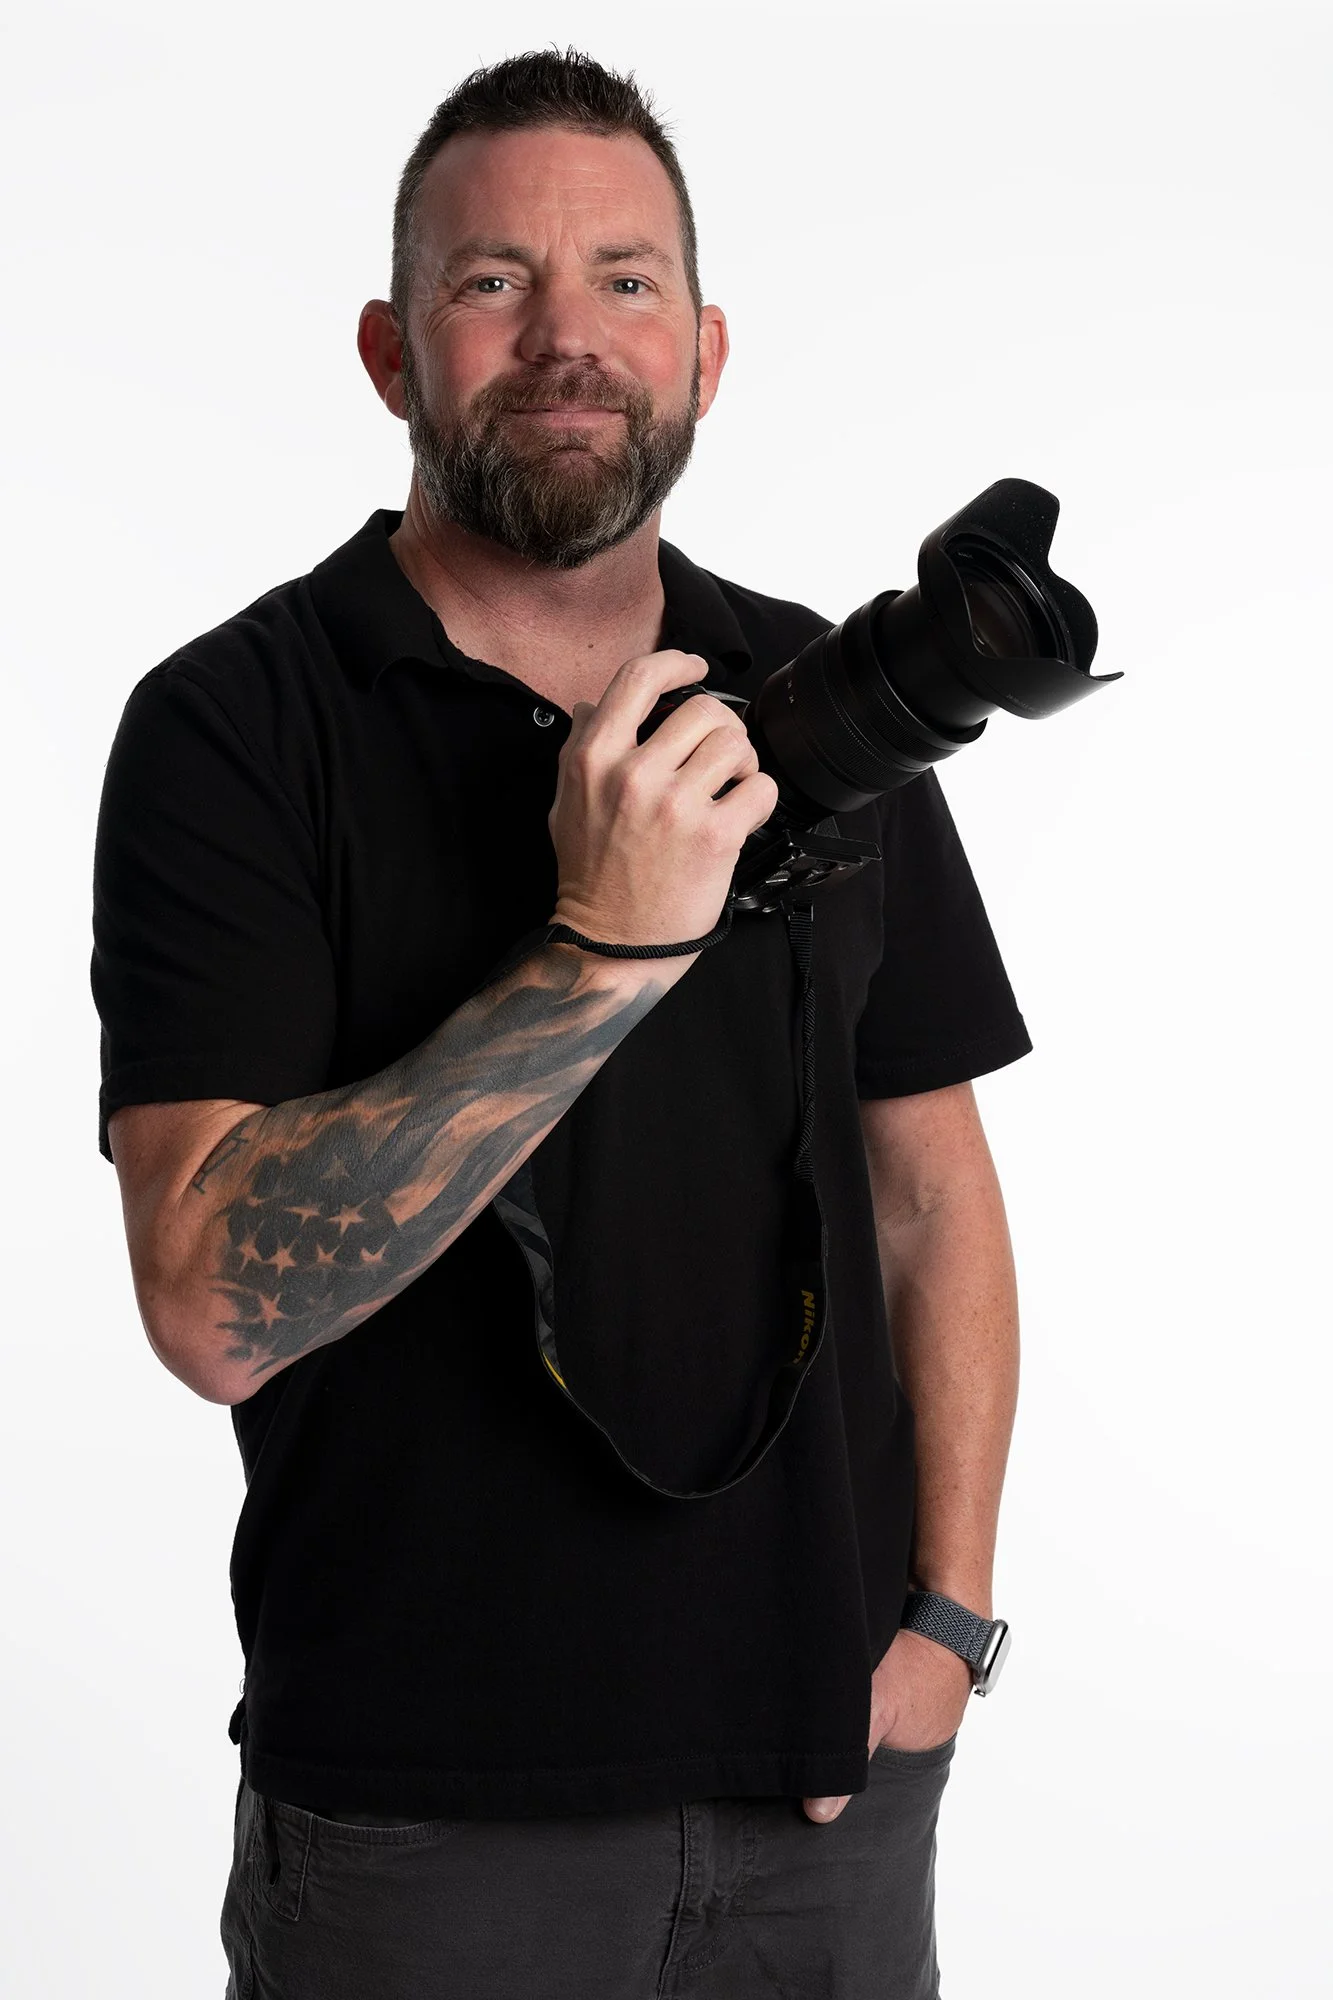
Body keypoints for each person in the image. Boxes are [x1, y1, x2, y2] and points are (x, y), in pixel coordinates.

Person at [92, 48, 1031, 2000]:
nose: (563, 337)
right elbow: (208, 1302)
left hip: (830, 1801)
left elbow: (932, 1197)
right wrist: (604, 946)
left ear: (703, 348)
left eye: (621, 281)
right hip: (427, 1824)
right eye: (489, 279)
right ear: (388, 348)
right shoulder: (235, 728)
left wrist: (950, 1621)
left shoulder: (823, 702)